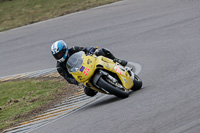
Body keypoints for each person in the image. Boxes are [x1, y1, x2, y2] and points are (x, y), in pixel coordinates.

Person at [51, 40, 127, 97]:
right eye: (56, 55)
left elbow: (85, 49)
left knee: (102, 51)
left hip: (88, 64)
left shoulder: (74, 49)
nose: (59, 56)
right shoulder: (59, 67)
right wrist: (75, 81)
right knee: (88, 92)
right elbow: (67, 78)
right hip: (82, 75)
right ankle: (100, 86)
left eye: (60, 53)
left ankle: (117, 60)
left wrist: (91, 50)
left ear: (65, 49)